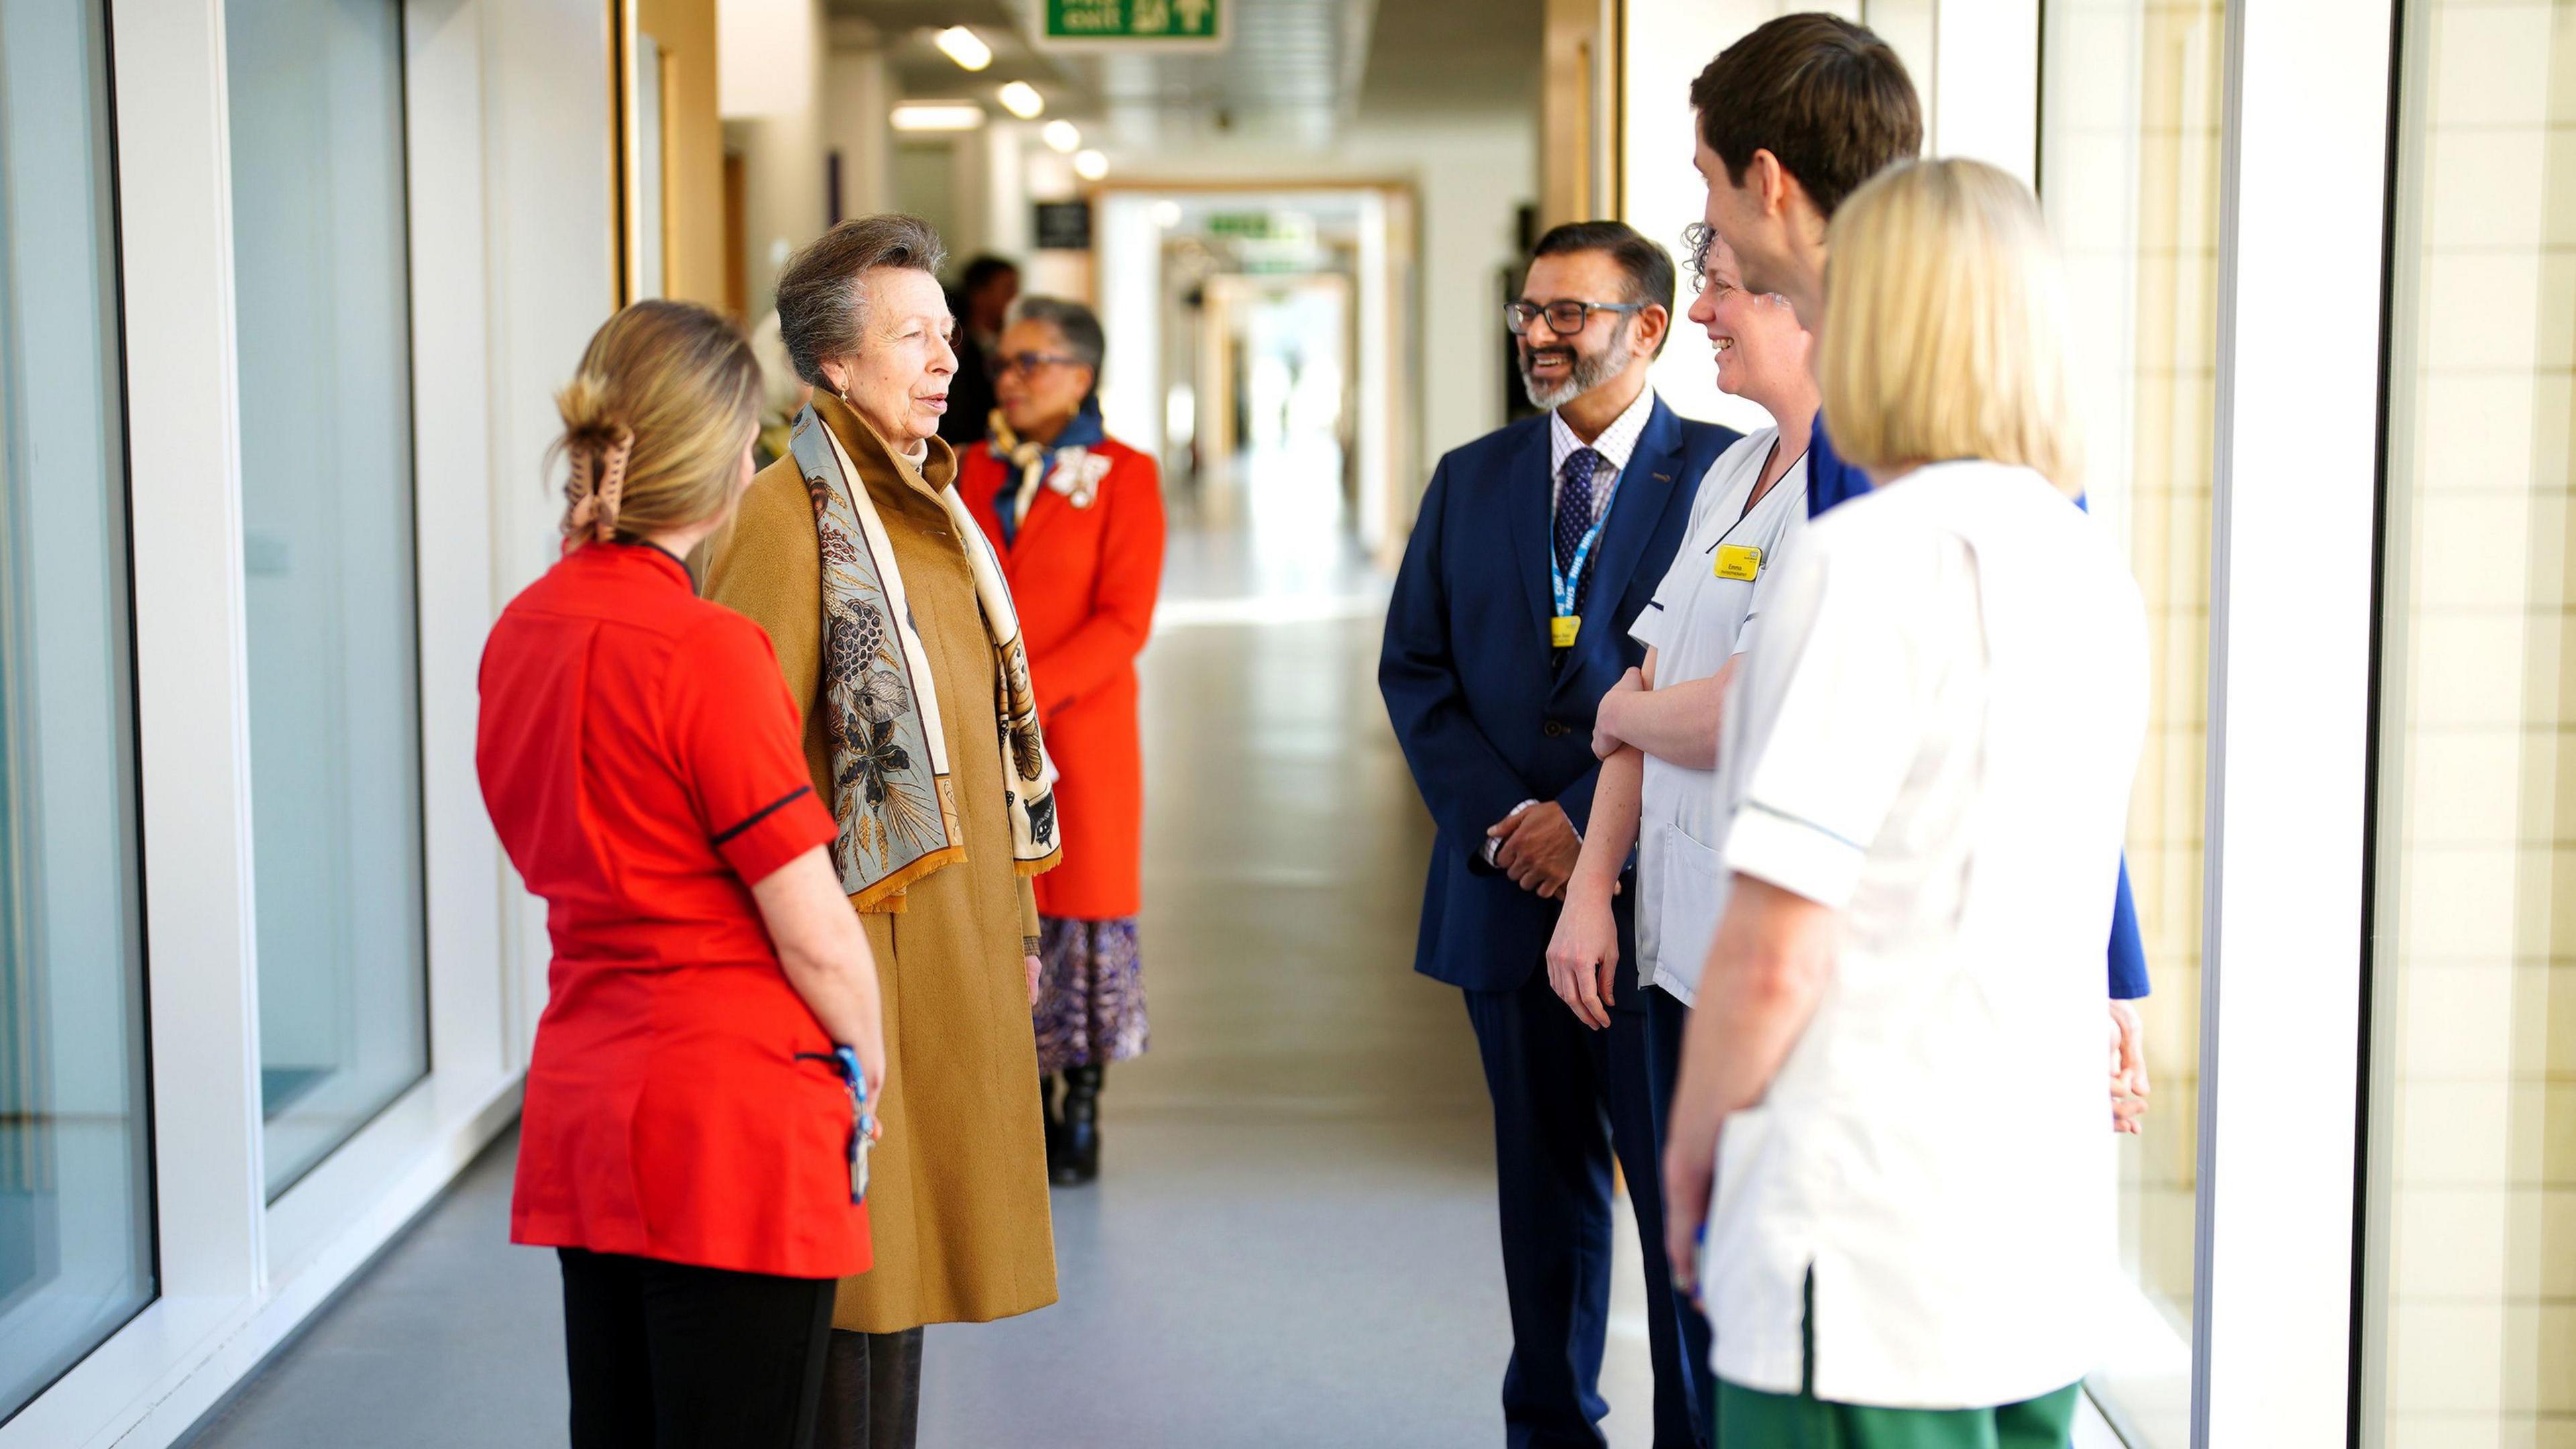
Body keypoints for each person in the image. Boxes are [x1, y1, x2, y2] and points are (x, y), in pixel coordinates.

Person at [1663, 157, 2147, 1447]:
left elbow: (1775, 954)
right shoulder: (2084, 562)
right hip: (2029, 1230)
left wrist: (1690, 1153)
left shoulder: (1869, 561)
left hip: (1861, 1247)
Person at [1690, 13, 2153, 1122]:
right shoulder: (1966, 426)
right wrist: (2107, 966)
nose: (1704, 220)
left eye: (1705, 179)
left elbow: (2028, 717)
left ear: (1767, 182)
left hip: (1888, 1042)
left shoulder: (1887, 434)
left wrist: (2103, 966)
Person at [476, 299, 886, 1448]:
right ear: (724, 468)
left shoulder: (521, 632)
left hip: (588, 1103)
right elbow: (807, 925)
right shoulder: (707, 654)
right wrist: (871, 1064)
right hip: (734, 1121)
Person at [1381, 219, 1738, 1449]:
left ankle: (1696, 1431)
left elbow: (1728, 680)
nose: (1537, 336)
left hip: (1651, 900)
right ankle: (1549, 1424)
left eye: (1567, 314)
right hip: (1499, 894)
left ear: (1647, 326)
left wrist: (1583, 831)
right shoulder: (1469, 477)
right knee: (1539, 1194)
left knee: (1676, 1198)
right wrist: (1504, 827)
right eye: (1527, 312)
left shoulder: (1728, 474)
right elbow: (1415, 672)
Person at [704, 216, 1059, 1449]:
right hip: (852, 953)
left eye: (948, 334)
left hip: (949, 941)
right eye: (912, 337)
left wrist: (1018, 920)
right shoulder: (782, 516)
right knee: (853, 1277)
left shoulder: (934, 505)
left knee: (897, 1278)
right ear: (834, 367)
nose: (947, 360)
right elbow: (742, 765)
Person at [959, 296, 1167, 1186]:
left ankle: (1080, 1109)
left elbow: (1125, 620)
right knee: (996, 914)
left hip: (1077, 736)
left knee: (1079, 920)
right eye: (1003, 362)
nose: (1011, 378)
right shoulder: (961, 468)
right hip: (968, 732)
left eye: (1032, 362)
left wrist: (1021, 698)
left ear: (1082, 374)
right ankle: (1017, 1106)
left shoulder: (1126, 473)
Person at [938, 254, 1020, 451]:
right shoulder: (955, 346)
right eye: (1008, 290)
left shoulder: (1014, 346)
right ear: (979, 294)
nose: (1016, 299)